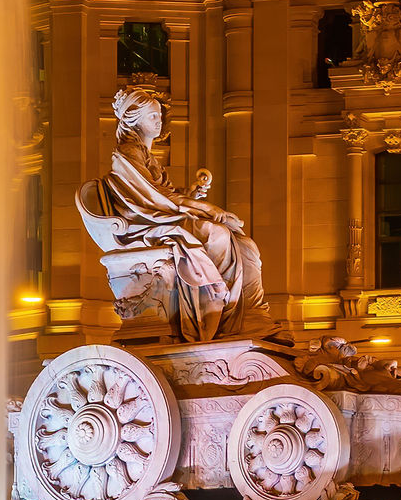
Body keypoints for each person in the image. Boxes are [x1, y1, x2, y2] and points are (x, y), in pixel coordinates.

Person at [96, 85, 282, 342]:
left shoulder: (147, 157)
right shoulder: (128, 154)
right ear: (134, 119)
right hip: (146, 224)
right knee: (217, 234)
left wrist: (190, 194)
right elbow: (152, 199)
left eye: (160, 115)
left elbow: (162, 195)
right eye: (153, 116)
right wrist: (207, 208)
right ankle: (222, 315)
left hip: (161, 216)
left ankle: (250, 314)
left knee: (245, 244)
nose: (159, 121)